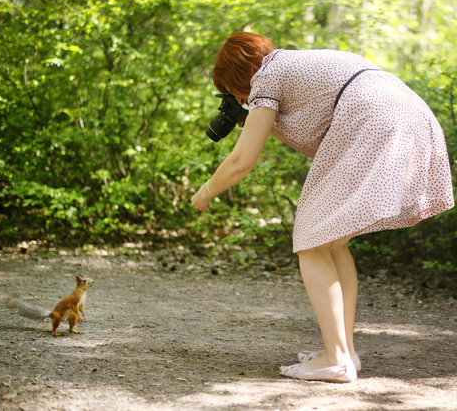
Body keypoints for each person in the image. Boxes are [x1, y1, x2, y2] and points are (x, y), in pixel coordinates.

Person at [191, 32, 454, 383]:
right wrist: (255, 118)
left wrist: (206, 192)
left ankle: (335, 358)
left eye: (232, 90)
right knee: (330, 241)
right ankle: (345, 352)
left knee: (312, 241)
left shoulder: (267, 75)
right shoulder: (291, 67)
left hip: (372, 117)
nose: (237, 99)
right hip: (404, 113)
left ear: (240, 73)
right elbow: (316, 142)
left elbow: (242, 160)